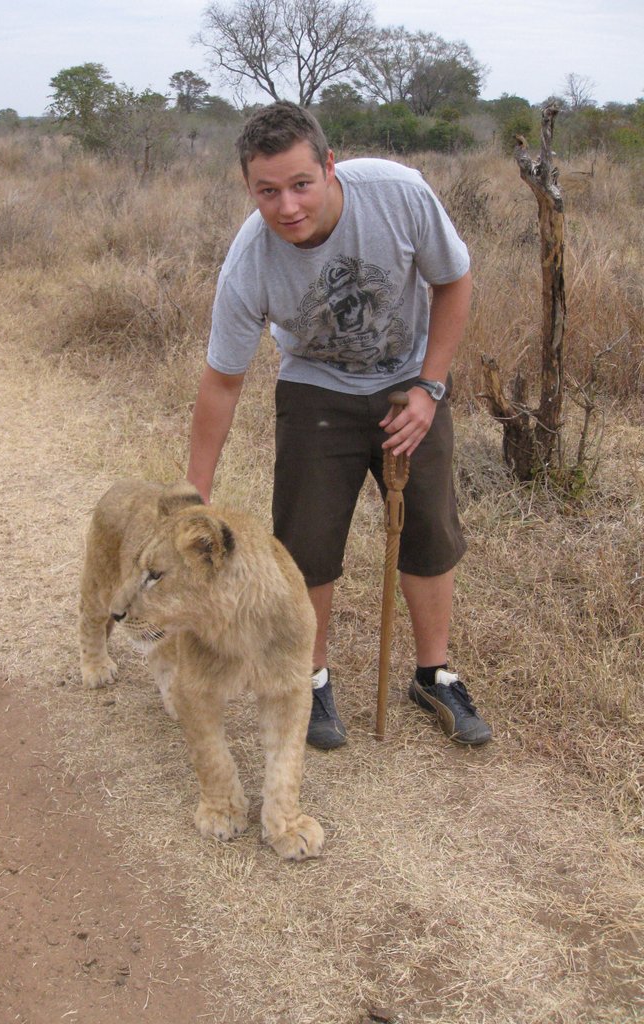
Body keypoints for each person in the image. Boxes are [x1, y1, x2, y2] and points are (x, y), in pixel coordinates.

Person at [186, 101, 492, 750]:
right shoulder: (250, 261)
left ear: (330, 166)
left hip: (410, 384)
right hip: (316, 388)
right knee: (306, 541)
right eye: (267, 191)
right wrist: (194, 496)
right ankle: (311, 679)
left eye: (301, 184)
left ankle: (434, 675)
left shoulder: (399, 196)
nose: (287, 206)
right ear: (249, 188)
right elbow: (222, 381)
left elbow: (455, 280)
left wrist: (429, 389)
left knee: (430, 531)